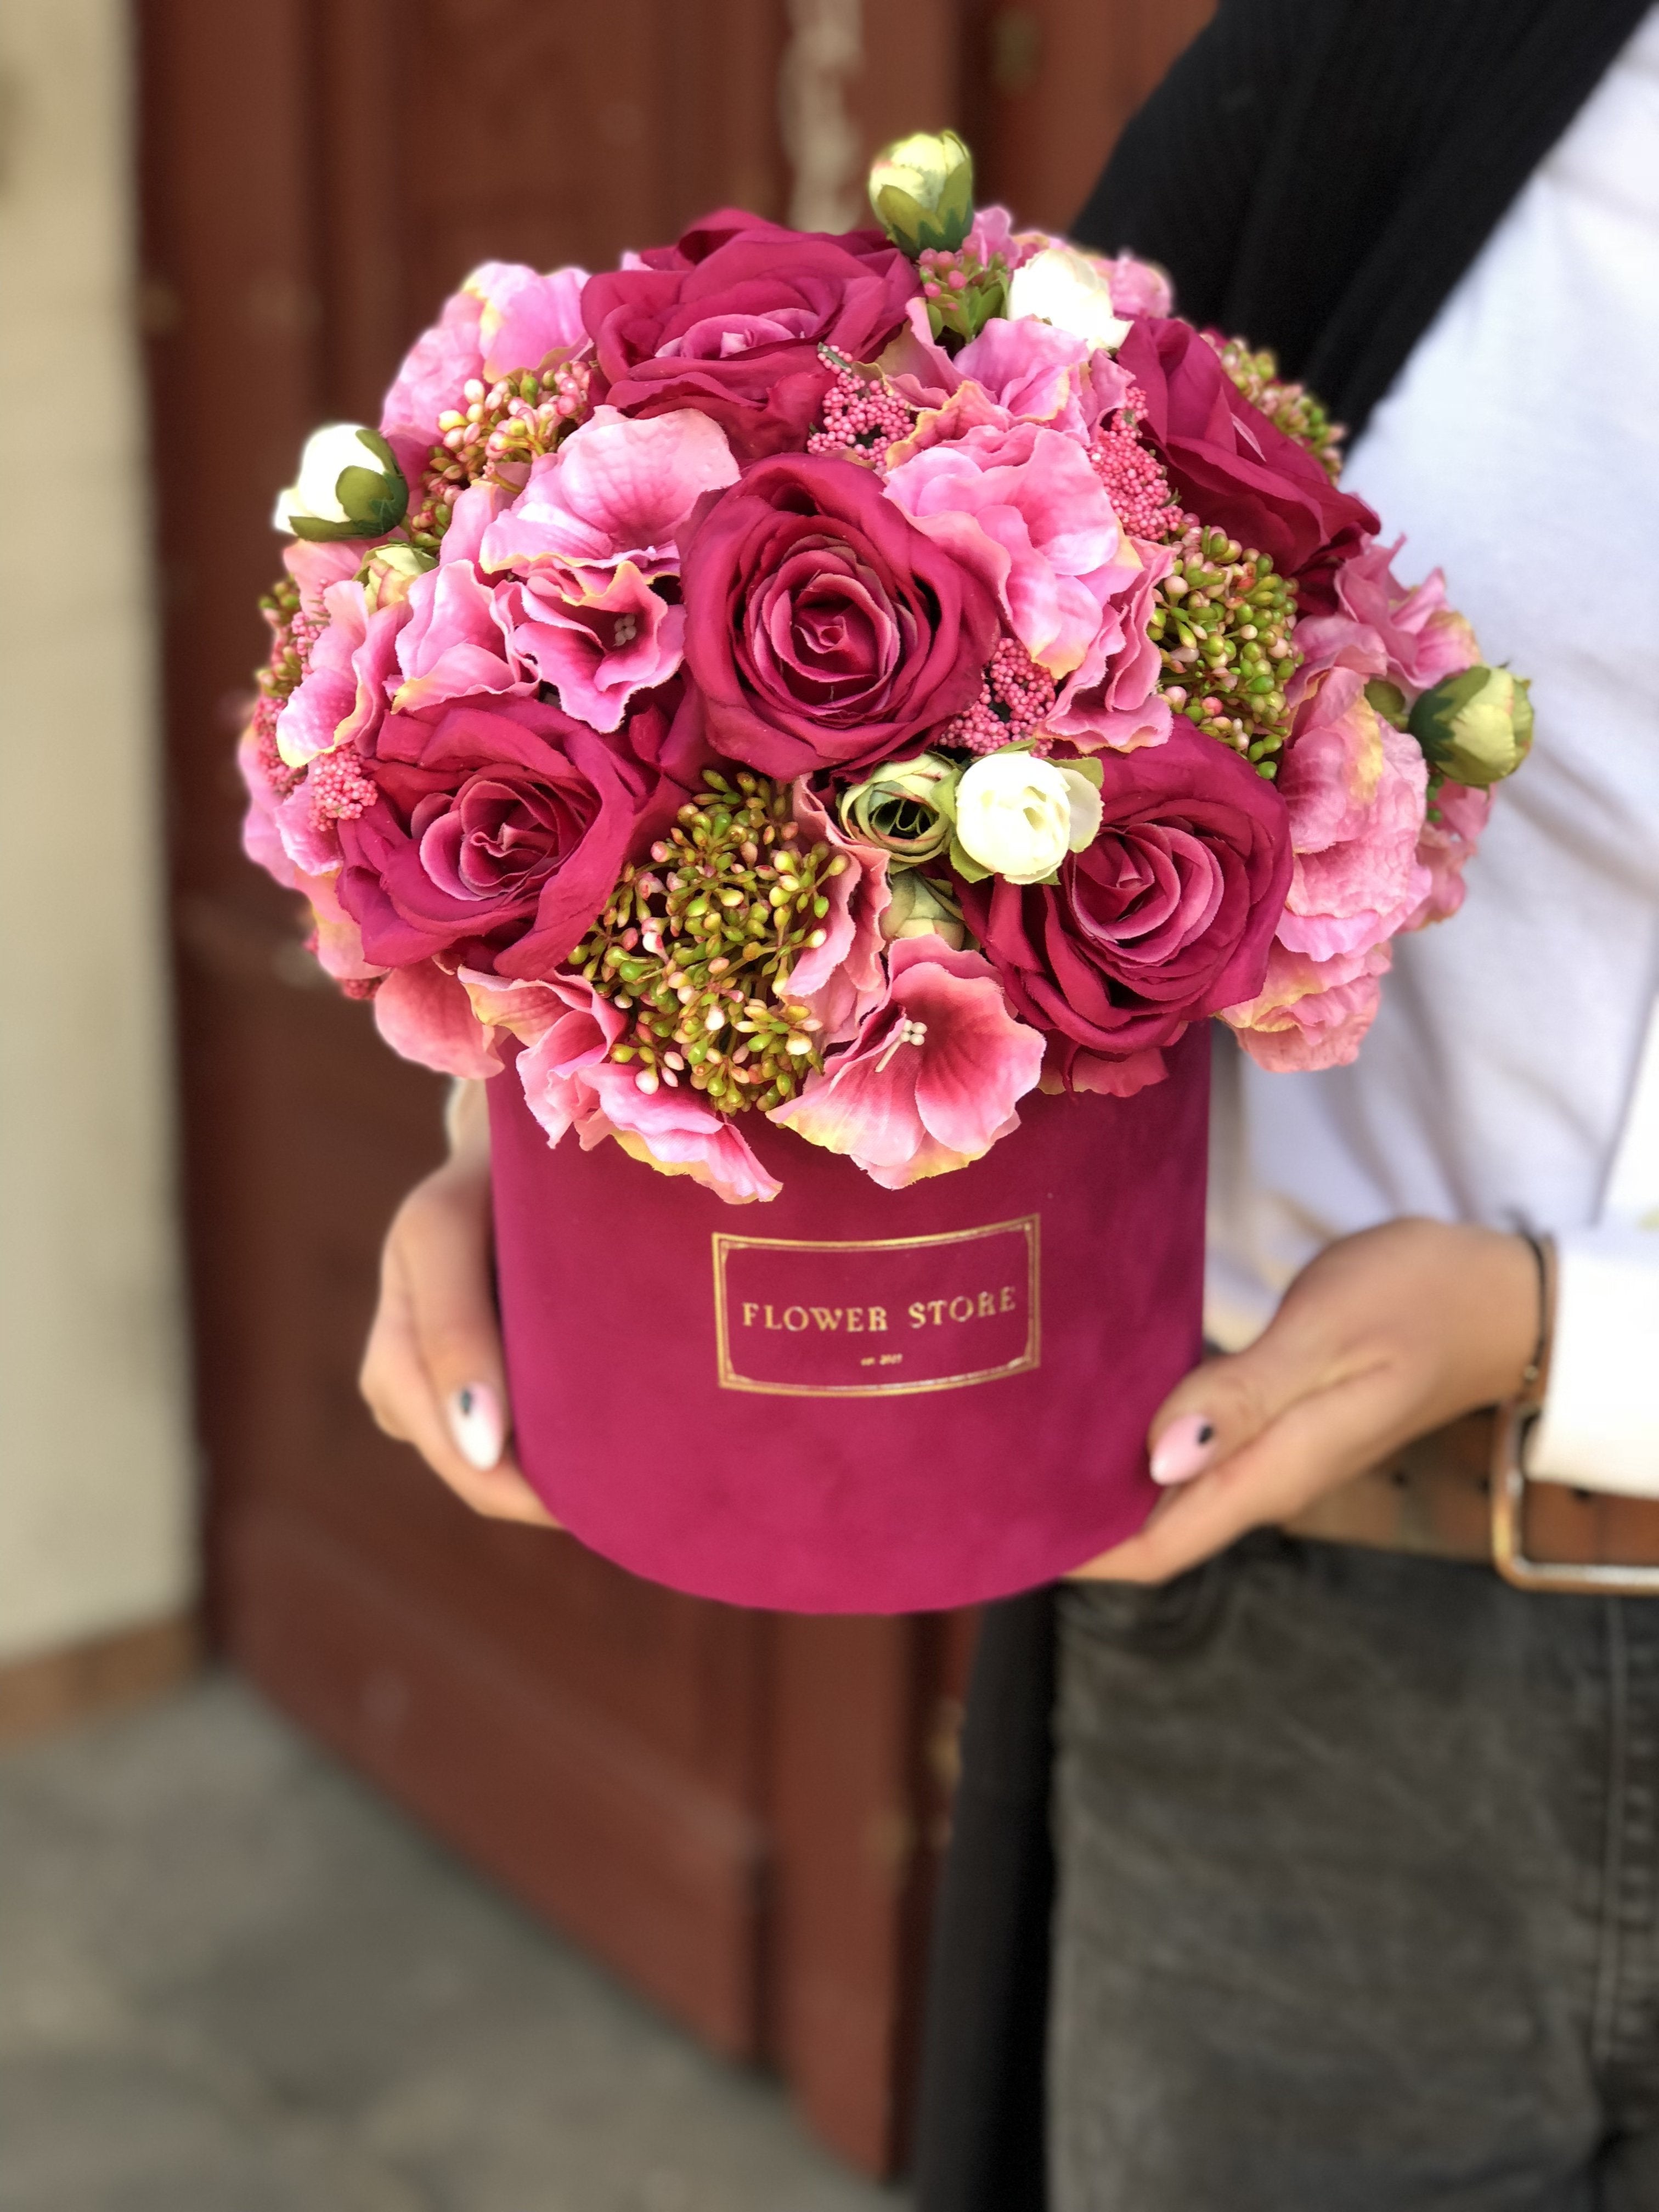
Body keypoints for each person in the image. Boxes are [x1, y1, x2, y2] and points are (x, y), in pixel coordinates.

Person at [360, 2, 1659, 2203]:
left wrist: (1560, 1338)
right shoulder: (1449, 40)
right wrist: (577, 1072)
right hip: (1294, 1660)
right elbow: (992, 496)